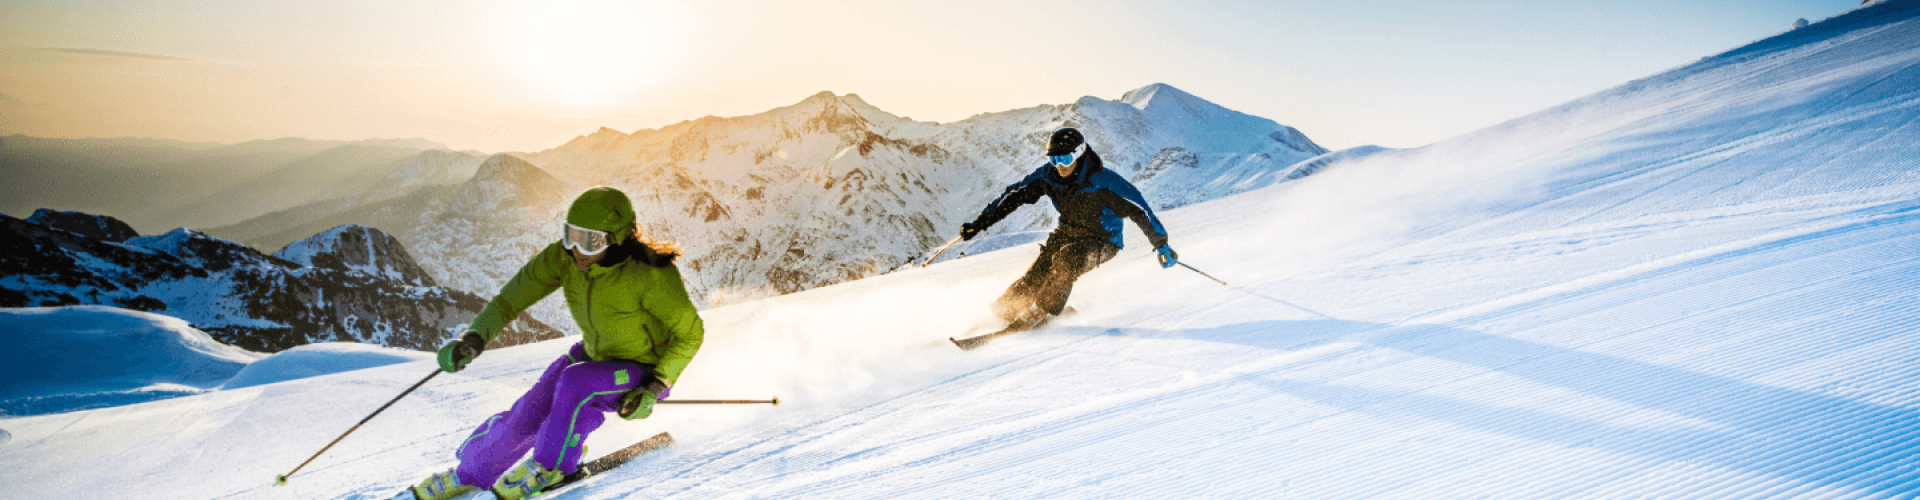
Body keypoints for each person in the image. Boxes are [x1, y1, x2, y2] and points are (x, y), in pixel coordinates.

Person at [408, 187, 704, 500]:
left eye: (588, 240)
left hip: (643, 370)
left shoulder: (650, 275)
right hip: (594, 356)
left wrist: (656, 385)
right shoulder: (561, 259)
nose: (576, 249)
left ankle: (552, 464)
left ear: (616, 238)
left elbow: (690, 332)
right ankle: (471, 472)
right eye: (570, 235)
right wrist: (474, 336)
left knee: (576, 382)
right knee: (530, 409)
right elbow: (509, 300)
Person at [958, 127, 1177, 330]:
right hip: (1067, 233)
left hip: (1103, 240)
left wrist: (1161, 244)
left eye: (1065, 158)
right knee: (1036, 275)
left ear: (1079, 154)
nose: (1060, 165)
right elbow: (1012, 196)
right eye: (1054, 159)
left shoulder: (1104, 182)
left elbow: (1141, 210)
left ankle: (1041, 312)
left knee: (1066, 260)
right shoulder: (1047, 176)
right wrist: (979, 224)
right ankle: (1005, 312)